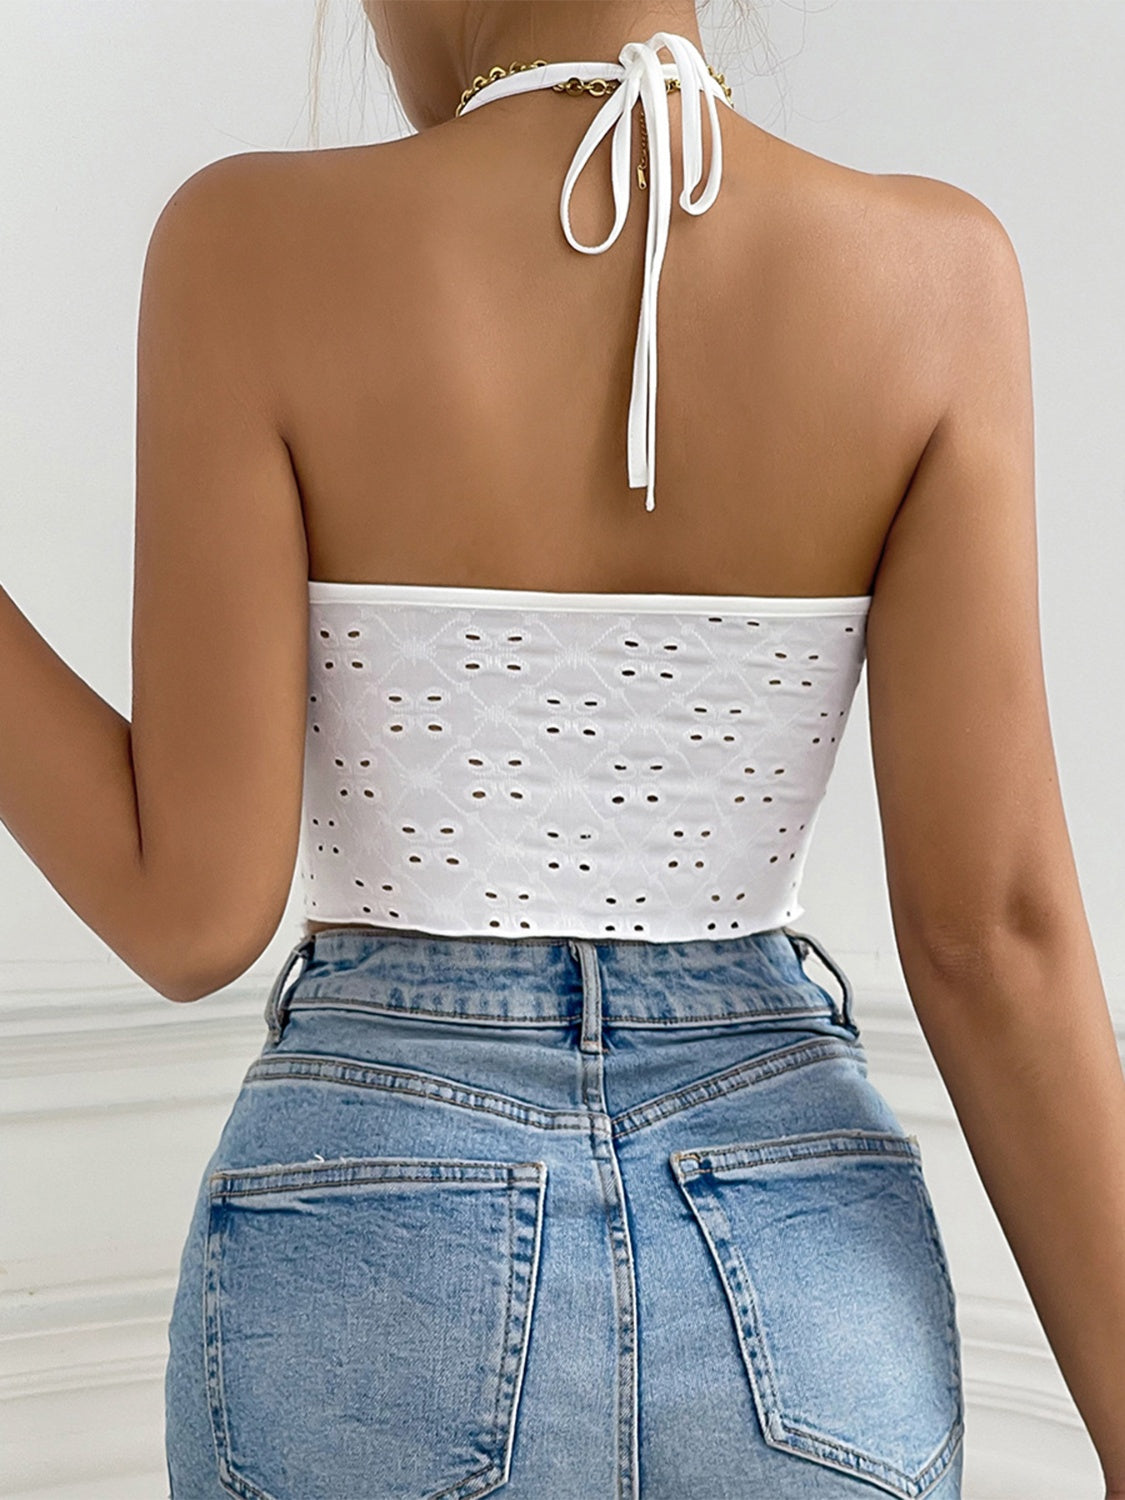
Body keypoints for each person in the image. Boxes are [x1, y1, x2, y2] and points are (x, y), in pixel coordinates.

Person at [1, 1, 1122, 1495]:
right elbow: (994, 941)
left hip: (373, 1249)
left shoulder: (247, 243)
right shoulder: (936, 275)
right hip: (798, 1265)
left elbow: (188, 912)